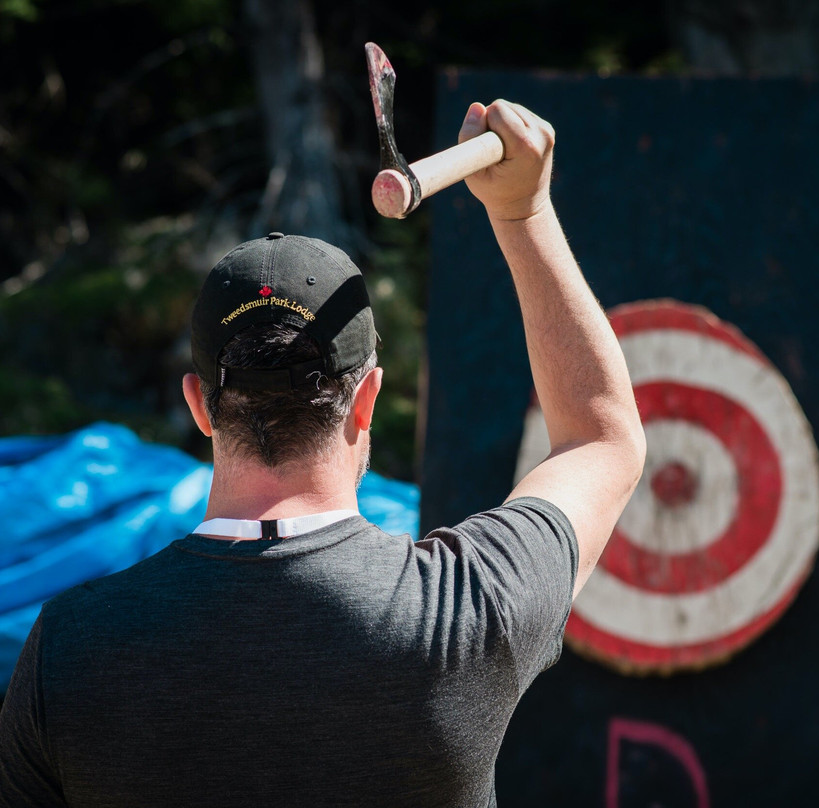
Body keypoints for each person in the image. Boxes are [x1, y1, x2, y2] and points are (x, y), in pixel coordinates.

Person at [0, 100, 645, 807]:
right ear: (366, 400)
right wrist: (523, 215)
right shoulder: (469, 607)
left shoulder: (71, 647)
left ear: (198, 405)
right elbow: (601, 436)